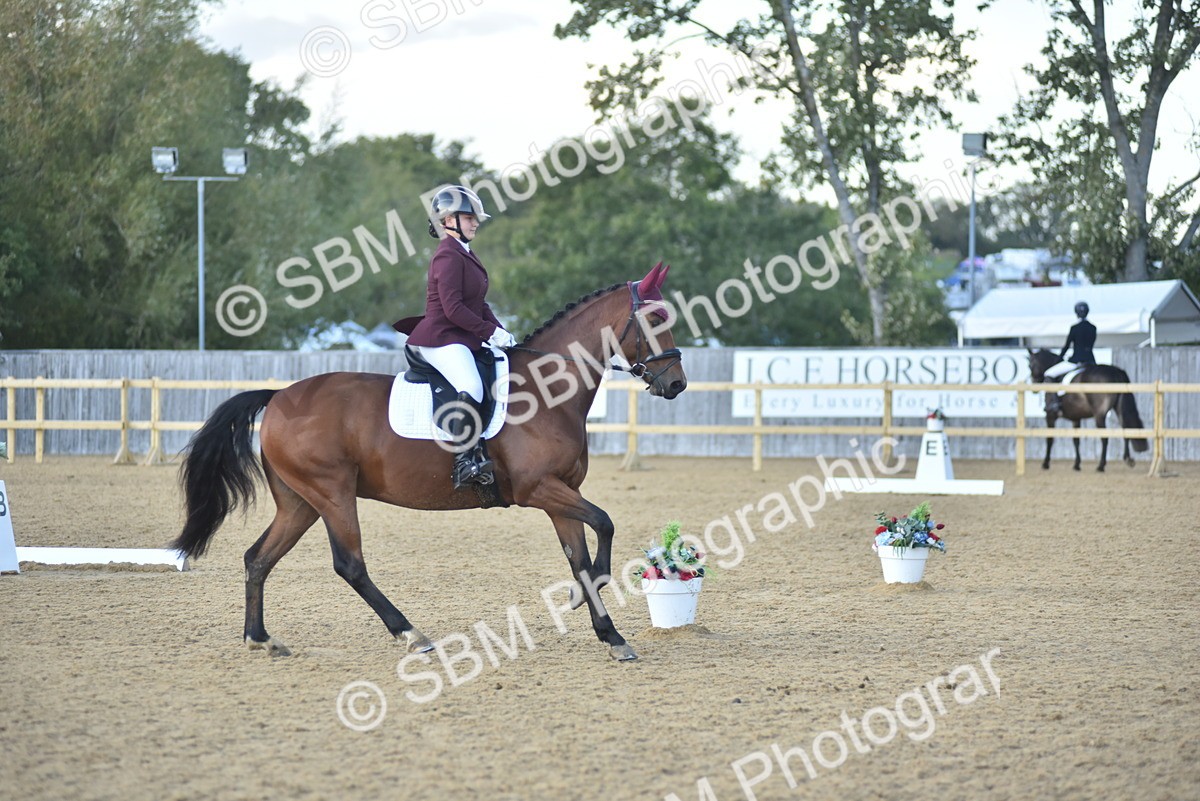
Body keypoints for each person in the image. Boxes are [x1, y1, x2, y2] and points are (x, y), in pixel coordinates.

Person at [402, 185, 516, 488]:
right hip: (437, 338)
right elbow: (453, 309)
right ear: (447, 220)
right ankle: (464, 461)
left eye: (476, 217)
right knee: (471, 384)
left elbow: (479, 304)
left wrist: (502, 332)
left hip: (458, 337)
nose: (476, 222)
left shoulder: (465, 253)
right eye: (469, 217)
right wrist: (488, 332)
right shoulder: (447, 256)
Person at [1042, 301, 1097, 412]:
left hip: (1076, 361)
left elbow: (1067, 346)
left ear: (1076, 313)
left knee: (1049, 374)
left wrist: (1059, 359)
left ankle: (1055, 403)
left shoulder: (1075, 328)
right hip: (1091, 361)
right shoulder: (1093, 328)